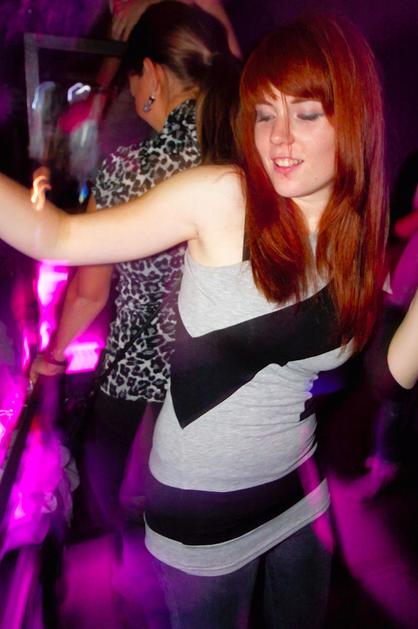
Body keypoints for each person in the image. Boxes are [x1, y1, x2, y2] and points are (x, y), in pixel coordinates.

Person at [1, 13, 418, 628]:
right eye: (265, 114)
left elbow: (388, 374)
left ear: (354, 119)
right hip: (203, 510)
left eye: (306, 114)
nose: (279, 139)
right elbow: (57, 235)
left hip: (300, 489)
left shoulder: (351, 234)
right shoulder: (225, 197)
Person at [30, 1, 241, 533]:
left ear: (150, 73)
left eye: (131, 76)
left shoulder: (127, 169)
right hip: (214, 377)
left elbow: (89, 293)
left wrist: (52, 354)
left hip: (134, 378)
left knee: (106, 486)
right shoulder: (241, 162)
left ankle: (131, 561)